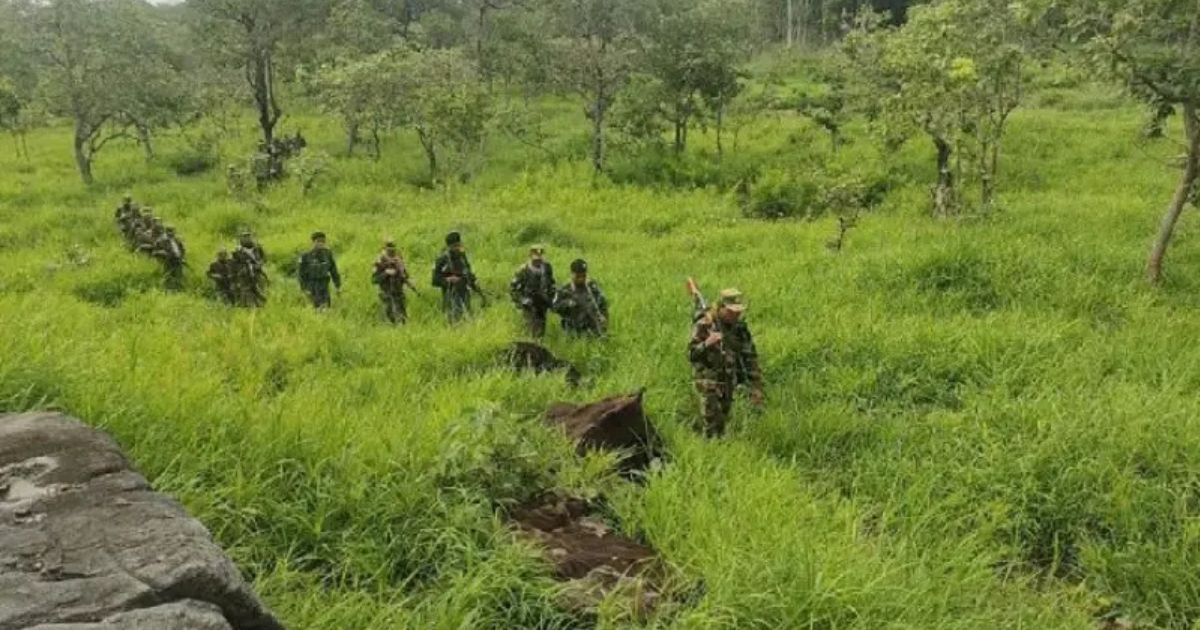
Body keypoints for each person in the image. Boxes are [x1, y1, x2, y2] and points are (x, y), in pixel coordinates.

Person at [688, 288, 764, 437]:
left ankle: (719, 445)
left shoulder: (739, 328)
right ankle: (708, 448)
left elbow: (749, 357)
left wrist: (755, 387)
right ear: (721, 308)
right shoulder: (705, 324)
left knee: (723, 419)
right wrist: (707, 343)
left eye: (738, 312)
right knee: (711, 422)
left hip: (728, 379)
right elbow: (691, 354)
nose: (735, 315)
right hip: (708, 380)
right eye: (731, 311)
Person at [552, 258, 609, 337]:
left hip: (592, 327)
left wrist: (603, 317)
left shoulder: (592, 287)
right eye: (578, 276)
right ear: (572, 274)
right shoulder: (565, 289)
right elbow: (555, 307)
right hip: (572, 329)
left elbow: (602, 303)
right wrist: (567, 303)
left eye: (584, 276)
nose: (581, 279)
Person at [509, 245, 556, 338]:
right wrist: (522, 300)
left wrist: (551, 299)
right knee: (530, 330)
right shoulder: (523, 270)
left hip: (542, 304)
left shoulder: (547, 268)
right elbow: (512, 289)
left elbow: (551, 284)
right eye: (535, 259)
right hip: (529, 305)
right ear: (530, 256)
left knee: (541, 329)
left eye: (539, 258)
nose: (538, 261)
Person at [432, 231, 478, 323]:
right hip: (451, 294)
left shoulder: (462, 256)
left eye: (458, 245)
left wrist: (474, 282)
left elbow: (467, 271)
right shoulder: (442, 259)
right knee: (453, 320)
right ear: (449, 246)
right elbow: (435, 280)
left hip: (464, 291)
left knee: (467, 317)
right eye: (455, 246)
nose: (457, 248)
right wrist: (448, 280)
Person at [372, 240, 413, 324]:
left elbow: (404, 274)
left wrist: (408, 281)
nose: (392, 252)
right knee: (390, 316)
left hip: (399, 291)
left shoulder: (399, 259)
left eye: (393, 250)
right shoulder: (380, 261)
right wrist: (386, 273)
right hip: (386, 292)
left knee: (403, 316)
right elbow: (374, 280)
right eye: (390, 250)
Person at [298, 231, 341, 309]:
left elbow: (333, 270)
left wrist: (337, 285)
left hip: (324, 285)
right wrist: (304, 289)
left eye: (323, 242)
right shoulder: (306, 256)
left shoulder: (328, 254)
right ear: (313, 242)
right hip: (312, 285)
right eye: (318, 241)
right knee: (314, 307)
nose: (321, 244)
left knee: (326, 307)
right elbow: (301, 274)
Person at [231, 238, 267, 308]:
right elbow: (234, 265)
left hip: (256, 274)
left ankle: (261, 304)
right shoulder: (239, 251)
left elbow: (263, 259)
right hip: (245, 276)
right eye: (245, 237)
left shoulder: (257, 249)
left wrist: (259, 264)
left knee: (259, 290)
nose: (247, 239)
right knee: (246, 292)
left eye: (248, 236)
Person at [153, 226, 186, 292]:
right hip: (167, 261)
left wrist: (182, 257)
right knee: (168, 277)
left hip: (177, 261)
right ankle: (166, 291)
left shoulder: (177, 240)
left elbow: (182, 250)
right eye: (170, 232)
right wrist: (163, 253)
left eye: (173, 231)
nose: (172, 233)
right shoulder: (161, 241)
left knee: (179, 276)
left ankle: (178, 291)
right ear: (166, 232)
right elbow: (155, 252)